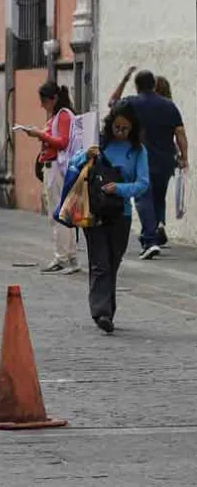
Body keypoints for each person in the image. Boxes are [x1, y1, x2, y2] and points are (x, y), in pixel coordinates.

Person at [70, 103, 149, 333]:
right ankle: (101, 312)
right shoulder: (100, 142)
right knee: (100, 263)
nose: (120, 131)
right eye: (117, 126)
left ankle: (107, 310)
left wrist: (120, 189)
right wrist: (85, 155)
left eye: (125, 128)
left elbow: (143, 184)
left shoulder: (138, 151)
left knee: (112, 263)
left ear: (133, 128)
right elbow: (74, 165)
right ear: (110, 124)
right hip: (94, 210)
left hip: (120, 213)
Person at [116, 69, 186, 259]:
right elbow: (180, 133)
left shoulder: (131, 103)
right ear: (154, 85)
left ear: (137, 86)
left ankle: (150, 240)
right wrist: (184, 158)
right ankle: (155, 230)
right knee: (157, 198)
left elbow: (112, 103)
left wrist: (123, 80)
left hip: (141, 158)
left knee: (142, 198)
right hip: (165, 161)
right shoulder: (169, 106)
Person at [26, 82, 78, 274]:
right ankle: (69, 256)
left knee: (58, 215)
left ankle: (61, 257)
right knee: (62, 214)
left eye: (44, 101)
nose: (42, 105)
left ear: (53, 98)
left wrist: (40, 134)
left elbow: (62, 142)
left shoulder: (63, 115)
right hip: (53, 167)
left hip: (57, 167)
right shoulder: (59, 116)